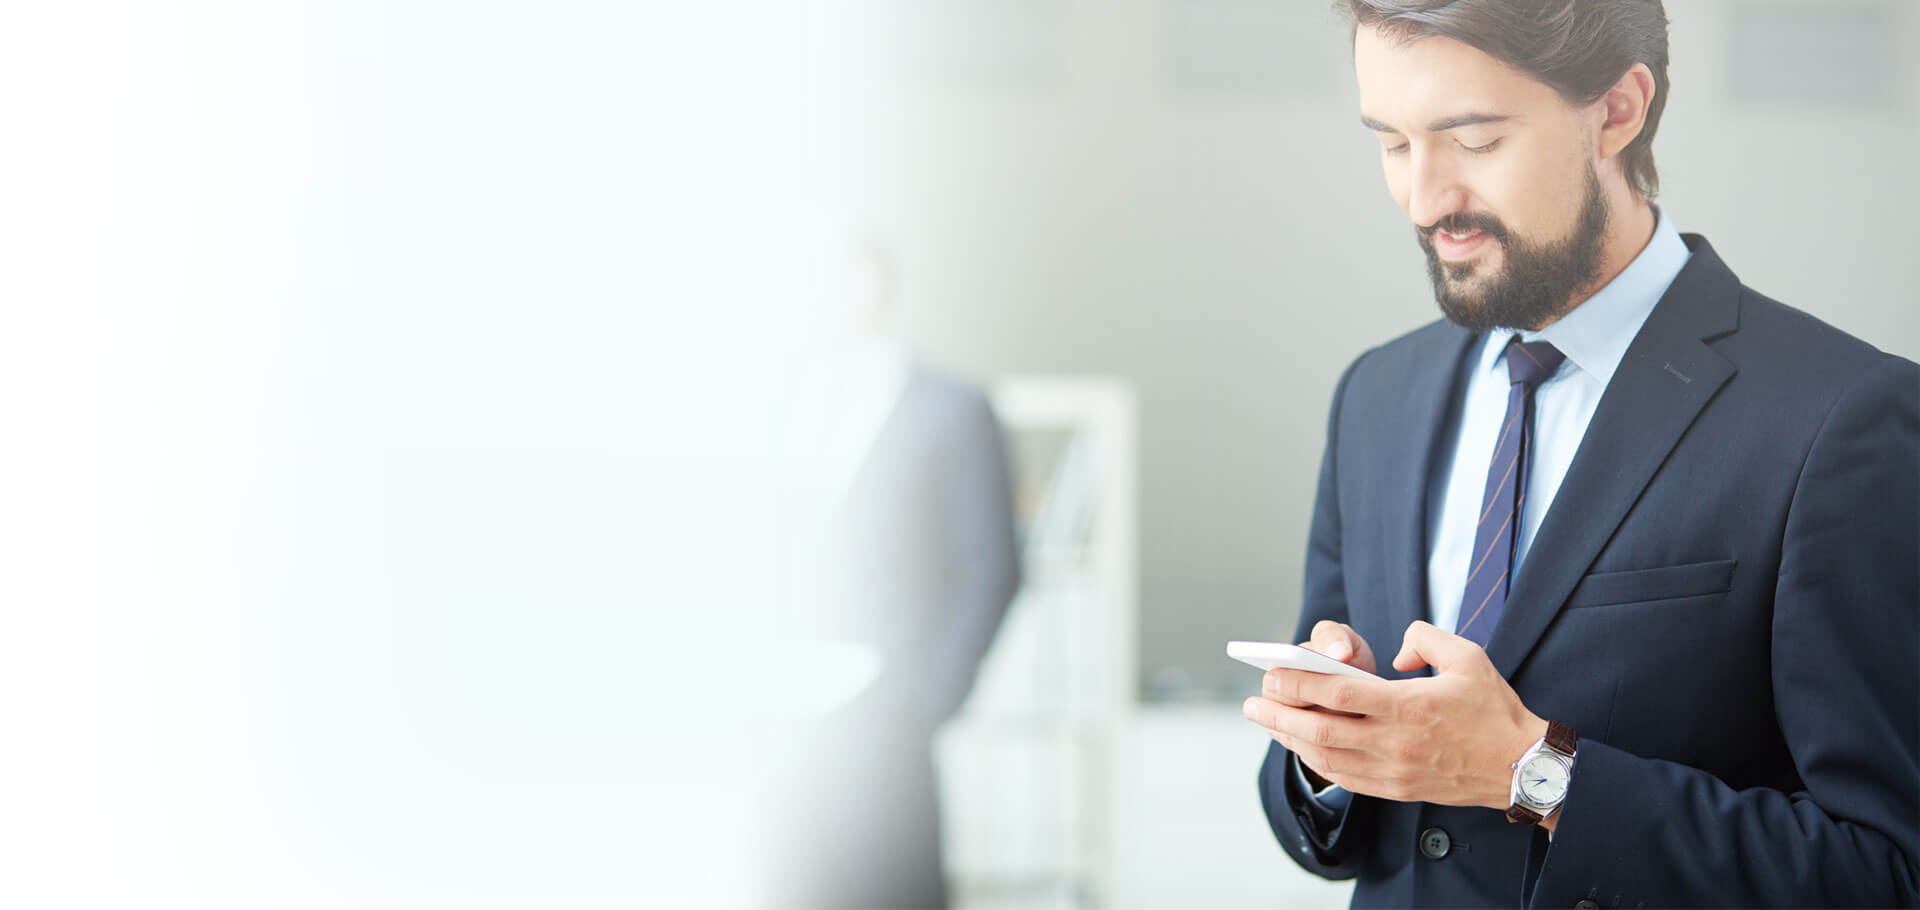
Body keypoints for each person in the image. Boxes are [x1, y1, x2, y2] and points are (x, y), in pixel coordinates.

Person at [1239, 1, 1919, 906]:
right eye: (1393, 144)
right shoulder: (1376, 397)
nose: (1425, 199)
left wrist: (1531, 772)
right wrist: (1328, 750)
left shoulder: (1843, 419)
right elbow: (1335, 835)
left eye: (1474, 140)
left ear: (1618, 110)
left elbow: (1888, 870)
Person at [764, 229, 1022, 909]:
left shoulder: (950, 410)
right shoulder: (773, 400)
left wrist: (920, 706)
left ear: (867, 282)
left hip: (884, 724)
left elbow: (990, 570)